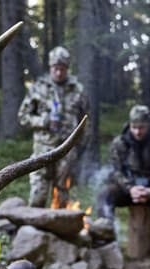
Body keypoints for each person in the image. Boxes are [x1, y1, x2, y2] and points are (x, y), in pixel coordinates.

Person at [96, 105, 150, 267]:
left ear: (148, 125)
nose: (137, 132)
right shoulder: (120, 143)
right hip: (128, 190)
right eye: (134, 127)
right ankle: (107, 244)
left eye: (141, 127)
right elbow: (115, 170)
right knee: (105, 195)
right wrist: (130, 188)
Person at [18, 46, 90, 208]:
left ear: (67, 68)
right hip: (43, 149)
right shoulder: (38, 87)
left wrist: (80, 147)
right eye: (56, 69)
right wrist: (44, 121)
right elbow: (23, 117)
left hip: (67, 150)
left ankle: (61, 232)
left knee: (63, 200)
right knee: (38, 197)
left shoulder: (77, 90)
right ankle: (33, 233)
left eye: (62, 69)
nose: (59, 73)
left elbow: (85, 122)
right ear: (51, 67)